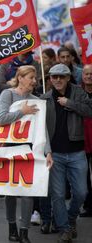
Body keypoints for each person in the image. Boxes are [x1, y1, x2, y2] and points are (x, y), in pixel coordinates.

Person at [0, 65, 53, 243]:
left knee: (28, 191)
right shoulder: (8, 94)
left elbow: (42, 129)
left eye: (35, 78)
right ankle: (12, 226)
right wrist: (22, 112)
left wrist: (48, 152)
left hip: (30, 150)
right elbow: (2, 118)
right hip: (10, 148)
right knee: (11, 192)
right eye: (31, 77)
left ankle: (24, 231)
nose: (34, 81)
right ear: (20, 78)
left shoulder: (36, 100)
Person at [41, 63, 92, 243]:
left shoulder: (78, 92)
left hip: (77, 152)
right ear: (50, 79)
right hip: (55, 154)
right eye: (54, 77)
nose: (58, 80)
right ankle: (64, 228)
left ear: (69, 77)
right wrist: (47, 151)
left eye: (62, 76)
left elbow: (89, 111)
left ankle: (70, 219)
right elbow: (41, 129)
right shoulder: (45, 98)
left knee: (81, 193)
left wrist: (69, 103)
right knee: (58, 195)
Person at [80, 64, 92, 218]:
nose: (89, 76)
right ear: (82, 76)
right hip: (82, 138)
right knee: (84, 174)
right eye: (87, 74)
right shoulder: (77, 92)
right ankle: (88, 205)